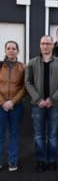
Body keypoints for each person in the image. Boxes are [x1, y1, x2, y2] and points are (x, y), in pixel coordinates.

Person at [25, 35, 58, 172]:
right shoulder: (32, 63)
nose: (45, 46)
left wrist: (52, 99)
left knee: (53, 135)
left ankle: (52, 160)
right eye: (43, 43)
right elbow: (28, 82)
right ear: (40, 45)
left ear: (52, 45)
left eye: (48, 43)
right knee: (39, 135)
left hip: (54, 105)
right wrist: (39, 99)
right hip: (37, 105)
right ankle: (41, 160)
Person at [0, 41, 25, 172]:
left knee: (14, 133)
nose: (11, 50)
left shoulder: (22, 67)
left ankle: (12, 160)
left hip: (16, 106)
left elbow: (24, 88)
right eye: (8, 48)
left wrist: (13, 102)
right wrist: (3, 102)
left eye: (13, 48)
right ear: (5, 50)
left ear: (17, 51)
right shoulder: (0, 66)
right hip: (0, 106)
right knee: (0, 134)